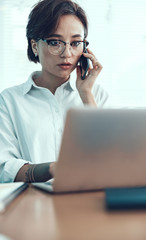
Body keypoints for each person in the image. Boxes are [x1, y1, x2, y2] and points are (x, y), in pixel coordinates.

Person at [0, 0, 108, 183]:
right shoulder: (10, 100)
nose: (66, 53)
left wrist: (86, 95)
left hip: (88, 201)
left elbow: (112, 162)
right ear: (35, 45)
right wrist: (52, 169)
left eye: (75, 43)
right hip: (32, 203)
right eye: (55, 42)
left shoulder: (96, 95)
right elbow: (5, 169)